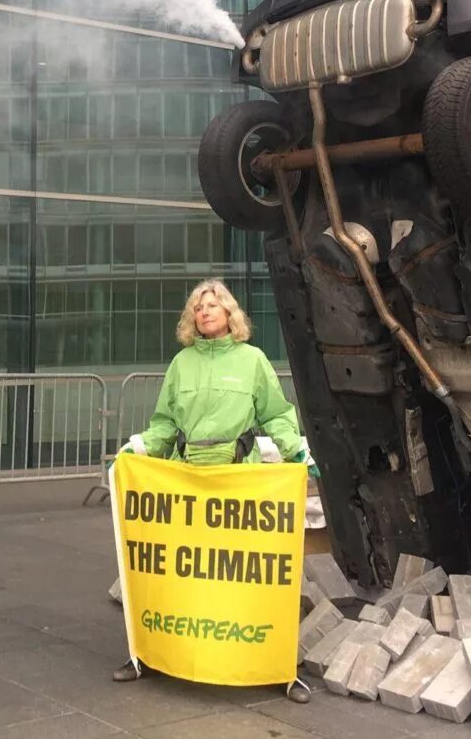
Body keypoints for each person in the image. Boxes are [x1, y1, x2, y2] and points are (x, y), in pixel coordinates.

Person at [111, 278, 316, 701]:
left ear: (229, 313)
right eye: (197, 308)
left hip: (237, 480)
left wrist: (297, 451)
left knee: (247, 577)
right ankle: (148, 654)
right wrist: (140, 448)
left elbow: (277, 414)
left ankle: (278, 667)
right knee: (178, 572)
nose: (203, 312)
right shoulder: (181, 363)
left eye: (212, 305)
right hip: (187, 482)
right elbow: (166, 423)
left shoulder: (252, 360)